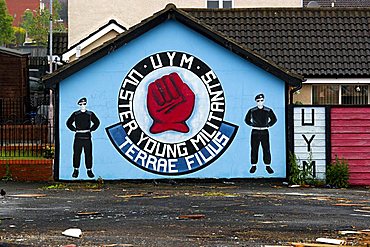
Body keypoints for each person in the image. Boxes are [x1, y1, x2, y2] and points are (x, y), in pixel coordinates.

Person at [66, 97, 100, 178]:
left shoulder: (90, 114)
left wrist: (91, 129)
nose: (82, 106)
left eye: (84, 104)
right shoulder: (75, 114)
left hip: (87, 137)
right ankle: (76, 169)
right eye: (81, 104)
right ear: (79, 105)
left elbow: (97, 122)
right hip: (78, 137)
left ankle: (89, 170)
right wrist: (74, 129)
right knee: (77, 154)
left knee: (88, 154)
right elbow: (68, 123)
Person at [244, 93, 277, 174]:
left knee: (266, 149)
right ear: (256, 101)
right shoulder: (252, 110)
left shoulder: (268, 110)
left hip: (264, 131)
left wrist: (268, 125)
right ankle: (253, 165)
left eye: (261, 100)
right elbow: (246, 120)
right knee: (254, 149)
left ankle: (268, 165)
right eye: (258, 101)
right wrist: (252, 125)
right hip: (255, 131)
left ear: (264, 101)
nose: (260, 102)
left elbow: (274, 119)